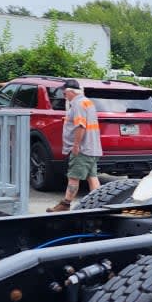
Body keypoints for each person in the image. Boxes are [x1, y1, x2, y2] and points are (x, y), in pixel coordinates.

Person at [46, 83, 103, 211]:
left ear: (71, 92)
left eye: (64, 93)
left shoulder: (78, 104)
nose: (64, 95)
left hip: (82, 148)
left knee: (73, 177)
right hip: (92, 147)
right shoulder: (87, 102)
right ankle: (98, 204)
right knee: (92, 177)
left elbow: (81, 125)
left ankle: (65, 204)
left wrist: (76, 145)